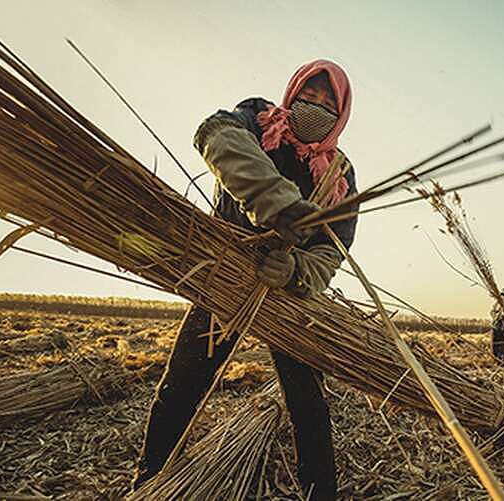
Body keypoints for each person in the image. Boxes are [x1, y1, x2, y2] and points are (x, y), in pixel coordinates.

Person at [132, 60, 357, 501]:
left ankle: (320, 493)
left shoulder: (339, 174)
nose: (316, 106)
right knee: (182, 387)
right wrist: (276, 203)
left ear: (343, 112)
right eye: (309, 96)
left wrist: (297, 273)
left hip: (288, 299)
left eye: (329, 102)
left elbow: (335, 248)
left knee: (307, 402)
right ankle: (148, 483)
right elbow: (214, 135)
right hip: (227, 279)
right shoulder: (255, 121)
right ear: (292, 94)